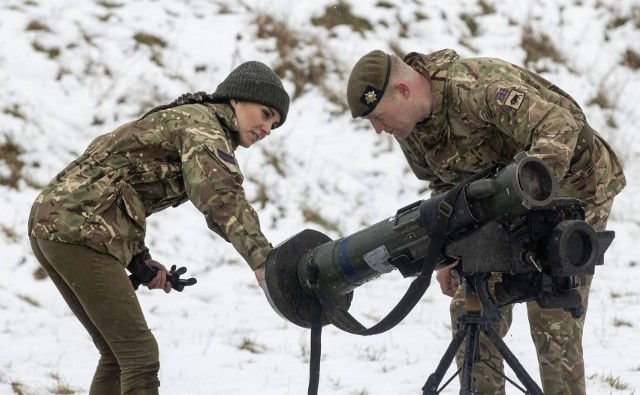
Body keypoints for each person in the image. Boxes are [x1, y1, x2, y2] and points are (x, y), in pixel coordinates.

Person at [346, 49, 626, 394]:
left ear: (402, 91)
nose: (378, 129)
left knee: (551, 312)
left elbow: (559, 127)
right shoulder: (410, 129)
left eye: (377, 116)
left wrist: (528, 196)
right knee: (472, 305)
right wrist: (453, 252)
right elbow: (447, 187)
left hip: (575, 184)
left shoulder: (474, 87)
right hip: (503, 204)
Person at [28, 60, 290, 395]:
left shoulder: (190, 121)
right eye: (266, 113)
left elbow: (115, 186)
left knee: (118, 355)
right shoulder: (203, 127)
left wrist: (139, 260)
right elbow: (220, 197)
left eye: (275, 124)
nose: (268, 128)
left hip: (57, 225)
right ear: (237, 99)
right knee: (140, 358)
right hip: (78, 230)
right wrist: (262, 258)